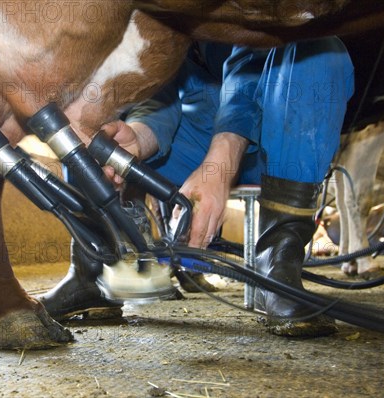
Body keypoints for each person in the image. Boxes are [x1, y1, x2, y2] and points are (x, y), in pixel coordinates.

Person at [39, 38, 354, 337]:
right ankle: (92, 271)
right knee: (89, 123)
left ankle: (278, 268)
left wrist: (221, 159)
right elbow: (161, 91)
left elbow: (250, 61)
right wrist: (138, 137)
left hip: (279, 137)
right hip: (198, 142)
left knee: (321, 53)